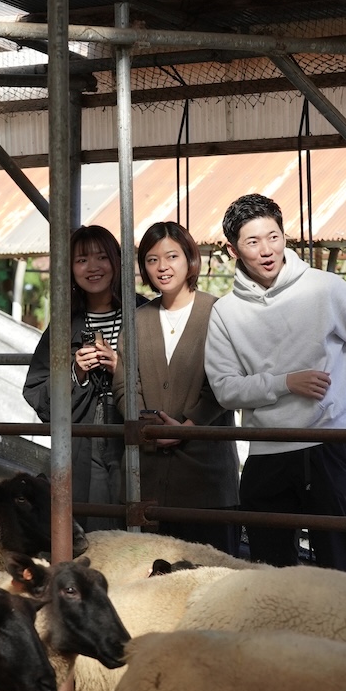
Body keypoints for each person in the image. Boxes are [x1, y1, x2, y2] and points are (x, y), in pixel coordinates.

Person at [204, 192, 346, 573]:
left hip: (329, 443)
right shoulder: (225, 312)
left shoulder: (324, 288)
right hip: (266, 451)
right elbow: (225, 389)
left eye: (273, 236)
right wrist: (285, 382)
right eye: (253, 242)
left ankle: (343, 634)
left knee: (338, 560)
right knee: (268, 568)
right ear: (233, 249)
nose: (266, 250)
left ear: (284, 235)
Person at [112, 220, 240, 556]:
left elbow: (225, 383)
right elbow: (125, 382)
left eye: (171, 256)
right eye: (152, 260)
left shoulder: (219, 312)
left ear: (190, 259)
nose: (162, 267)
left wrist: (188, 427)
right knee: (149, 578)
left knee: (212, 573)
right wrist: (147, 425)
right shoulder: (137, 319)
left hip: (205, 473)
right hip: (148, 471)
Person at [23, 224, 146, 529]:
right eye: (81, 260)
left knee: (140, 521)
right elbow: (37, 390)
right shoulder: (65, 322)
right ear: (71, 269)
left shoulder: (144, 312)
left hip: (135, 433)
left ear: (117, 262)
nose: (92, 267)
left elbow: (168, 381)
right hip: (85, 440)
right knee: (93, 527)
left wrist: (120, 368)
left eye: (101, 257)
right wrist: (76, 371)